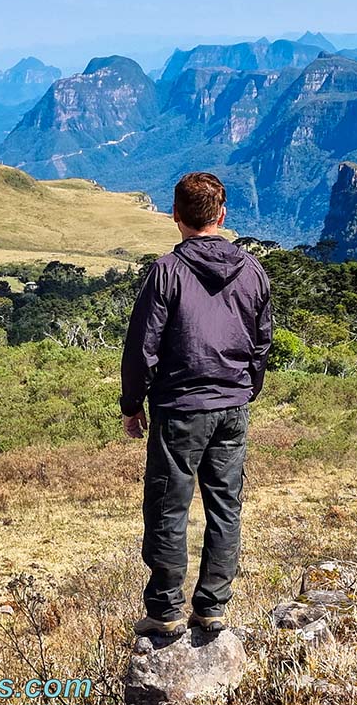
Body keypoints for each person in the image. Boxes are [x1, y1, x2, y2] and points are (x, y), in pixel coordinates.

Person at [120, 172, 272, 637]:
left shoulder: (167, 271)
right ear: (222, 216)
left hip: (181, 407)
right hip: (232, 404)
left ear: (176, 217)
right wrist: (246, 390)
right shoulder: (252, 270)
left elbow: (142, 345)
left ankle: (165, 611)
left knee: (168, 506)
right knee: (226, 506)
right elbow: (261, 344)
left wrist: (132, 403)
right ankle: (212, 607)